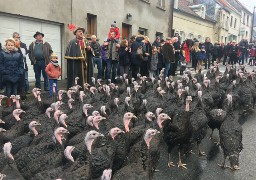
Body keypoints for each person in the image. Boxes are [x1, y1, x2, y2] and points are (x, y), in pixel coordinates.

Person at [0, 38, 24, 107]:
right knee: (8, 91)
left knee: (15, 91)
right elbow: (1, 64)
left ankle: (15, 105)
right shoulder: (2, 54)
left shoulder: (18, 54)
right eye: (9, 45)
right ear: (6, 45)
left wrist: (20, 72)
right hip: (7, 76)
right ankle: (9, 105)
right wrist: (4, 71)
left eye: (12, 45)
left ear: (14, 46)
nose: (10, 46)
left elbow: (21, 64)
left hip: (16, 75)